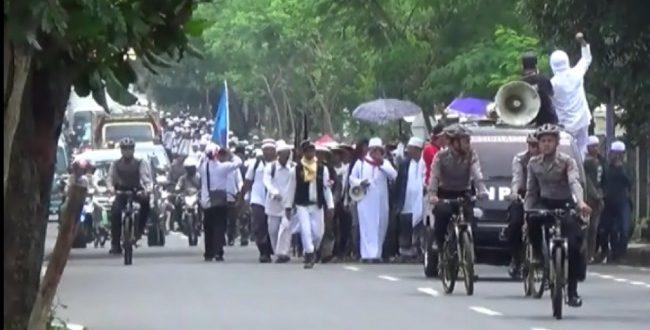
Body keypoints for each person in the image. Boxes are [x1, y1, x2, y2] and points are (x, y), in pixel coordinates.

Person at [525, 123, 591, 307]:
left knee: (574, 243)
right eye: (543, 141)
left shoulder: (567, 161)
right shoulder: (533, 163)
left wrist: (580, 203)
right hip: (544, 204)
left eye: (550, 141)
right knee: (532, 221)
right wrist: (527, 210)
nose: (546, 144)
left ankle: (572, 292)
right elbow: (531, 190)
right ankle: (540, 255)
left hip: (565, 205)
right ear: (538, 144)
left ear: (556, 143)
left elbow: (574, 183)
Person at [428, 124, 488, 259]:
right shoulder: (440, 156)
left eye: (469, 140)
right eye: (465, 140)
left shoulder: (472, 154)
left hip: (463, 193)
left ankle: (467, 254)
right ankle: (440, 243)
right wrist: (432, 195)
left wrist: (482, 190)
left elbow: (477, 174)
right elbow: (434, 177)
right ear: (454, 142)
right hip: (444, 194)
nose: (468, 144)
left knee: (471, 222)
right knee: (442, 214)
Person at [286, 140, 335, 269]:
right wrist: (288, 206)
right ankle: (309, 254)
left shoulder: (321, 169)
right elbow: (291, 188)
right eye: (307, 150)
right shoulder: (296, 170)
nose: (310, 153)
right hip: (302, 205)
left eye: (312, 150)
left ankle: (312, 249)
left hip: (317, 205)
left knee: (318, 233)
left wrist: (330, 206)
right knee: (306, 230)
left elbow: (326, 188)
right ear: (303, 152)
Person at [349, 137, 398, 262]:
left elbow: (394, 175)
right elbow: (351, 178)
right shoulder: (360, 163)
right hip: (366, 200)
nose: (376, 152)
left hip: (381, 200)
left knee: (381, 225)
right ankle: (367, 255)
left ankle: (377, 254)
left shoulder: (385, 163)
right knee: (367, 226)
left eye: (379, 150)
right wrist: (360, 182)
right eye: (374, 150)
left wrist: (381, 163)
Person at [106, 138, 153, 255]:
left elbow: (146, 178)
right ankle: (115, 243)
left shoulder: (140, 163)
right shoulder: (115, 164)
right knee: (115, 213)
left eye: (129, 149)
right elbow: (110, 179)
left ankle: (139, 230)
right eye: (125, 149)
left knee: (146, 204)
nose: (127, 151)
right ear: (121, 150)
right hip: (121, 192)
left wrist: (147, 189)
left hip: (137, 191)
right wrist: (111, 189)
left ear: (133, 150)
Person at [549, 32, 593, 158]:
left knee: (564, 154)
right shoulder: (576, 73)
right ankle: (580, 172)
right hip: (582, 121)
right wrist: (582, 41)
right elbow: (586, 58)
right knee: (581, 150)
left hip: (564, 125)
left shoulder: (552, 84)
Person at [503, 132, 540, 278]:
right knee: (514, 224)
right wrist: (514, 193)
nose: (535, 149)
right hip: (523, 196)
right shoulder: (520, 159)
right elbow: (517, 178)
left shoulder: (551, 159)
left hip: (541, 198)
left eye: (537, 145)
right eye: (531, 145)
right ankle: (516, 259)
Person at [199, 147, 242, 262]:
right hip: (220, 201)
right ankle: (218, 252)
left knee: (208, 228)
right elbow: (239, 163)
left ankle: (208, 253)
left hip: (207, 201)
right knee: (220, 227)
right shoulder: (223, 167)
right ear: (217, 155)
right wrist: (230, 154)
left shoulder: (203, 167)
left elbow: (202, 160)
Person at [242, 139, 277, 263]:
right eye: (265, 150)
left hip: (274, 200)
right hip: (258, 199)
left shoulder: (279, 164)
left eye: (271, 150)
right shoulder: (256, 164)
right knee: (259, 226)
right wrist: (241, 197)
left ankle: (272, 249)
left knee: (272, 227)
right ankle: (263, 252)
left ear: (275, 151)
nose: (268, 152)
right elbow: (247, 181)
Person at [598, 141, 633, 263]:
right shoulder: (605, 167)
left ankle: (620, 254)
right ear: (610, 154)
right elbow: (600, 183)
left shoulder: (627, 167)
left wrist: (621, 169)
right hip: (607, 201)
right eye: (615, 154)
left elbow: (630, 182)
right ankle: (605, 251)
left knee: (624, 228)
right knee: (604, 229)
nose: (617, 156)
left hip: (622, 201)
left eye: (620, 154)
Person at [263, 140, 295, 263]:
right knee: (273, 230)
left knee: (286, 229)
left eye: (287, 153)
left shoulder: (293, 167)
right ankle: (277, 251)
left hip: (287, 204)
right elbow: (267, 182)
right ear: (278, 154)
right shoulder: (270, 167)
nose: (285, 156)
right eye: (282, 153)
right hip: (273, 204)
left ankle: (284, 253)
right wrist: (274, 192)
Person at [394, 137, 426, 260]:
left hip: (421, 201)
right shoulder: (405, 164)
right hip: (406, 201)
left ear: (417, 150)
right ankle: (406, 252)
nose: (408, 151)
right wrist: (397, 202)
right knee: (406, 226)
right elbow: (399, 182)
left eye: (410, 149)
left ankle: (420, 250)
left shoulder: (425, 162)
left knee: (421, 226)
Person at [583, 136, 605, 262]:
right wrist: (596, 195)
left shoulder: (599, 161)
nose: (596, 148)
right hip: (589, 198)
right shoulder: (588, 162)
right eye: (593, 146)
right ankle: (585, 253)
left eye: (597, 146)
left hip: (597, 197)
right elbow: (587, 180)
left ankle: (591, 253)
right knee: (587, 227)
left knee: (594, 228)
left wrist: (600, 195)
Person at [521, 52, 557, 126]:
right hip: (547, 121)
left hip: (528, 121)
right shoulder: (543, 79)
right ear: (536, 65)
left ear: (523, 66)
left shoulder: (520, 83)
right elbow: (551, 97)